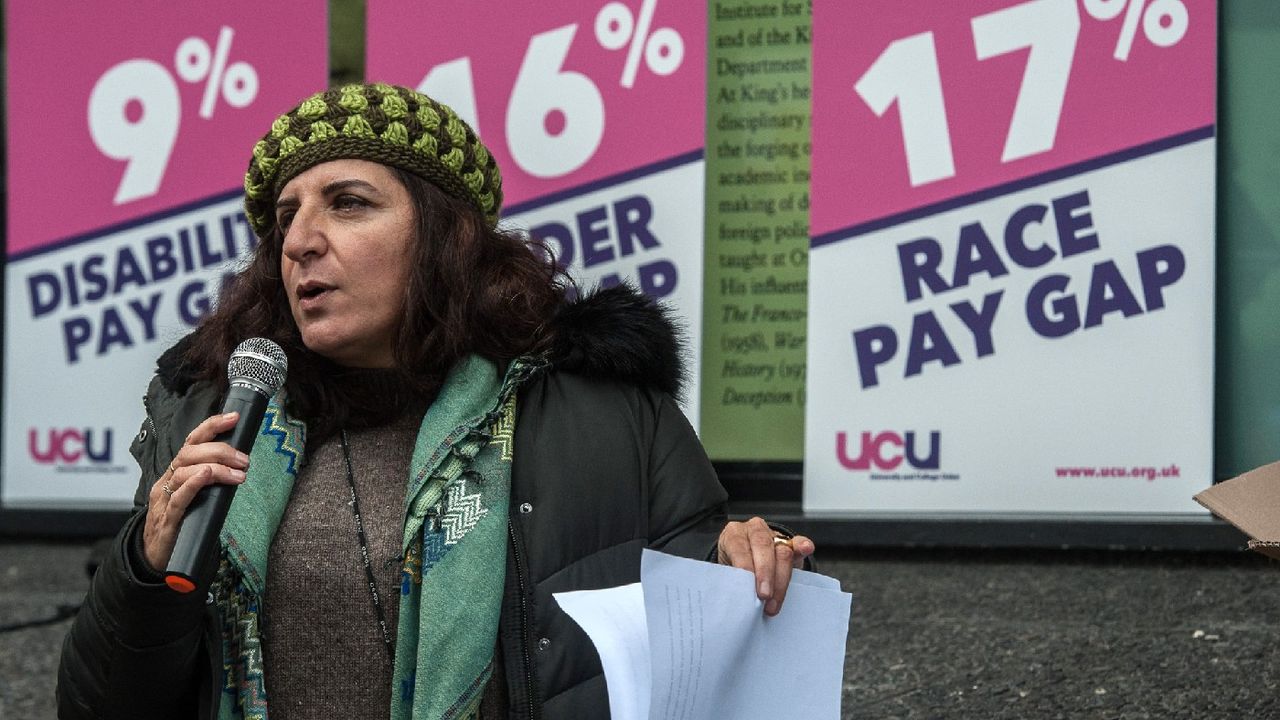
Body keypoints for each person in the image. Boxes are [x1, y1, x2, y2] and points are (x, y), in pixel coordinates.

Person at [56, 82, 815, 720]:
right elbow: (99, 703)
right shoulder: (215, 418)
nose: (300, 241)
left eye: (347, 203)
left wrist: (750, 559)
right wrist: (145, 571)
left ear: (445, 236)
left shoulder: (598, 409)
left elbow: (713, 596)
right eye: (286, 217)